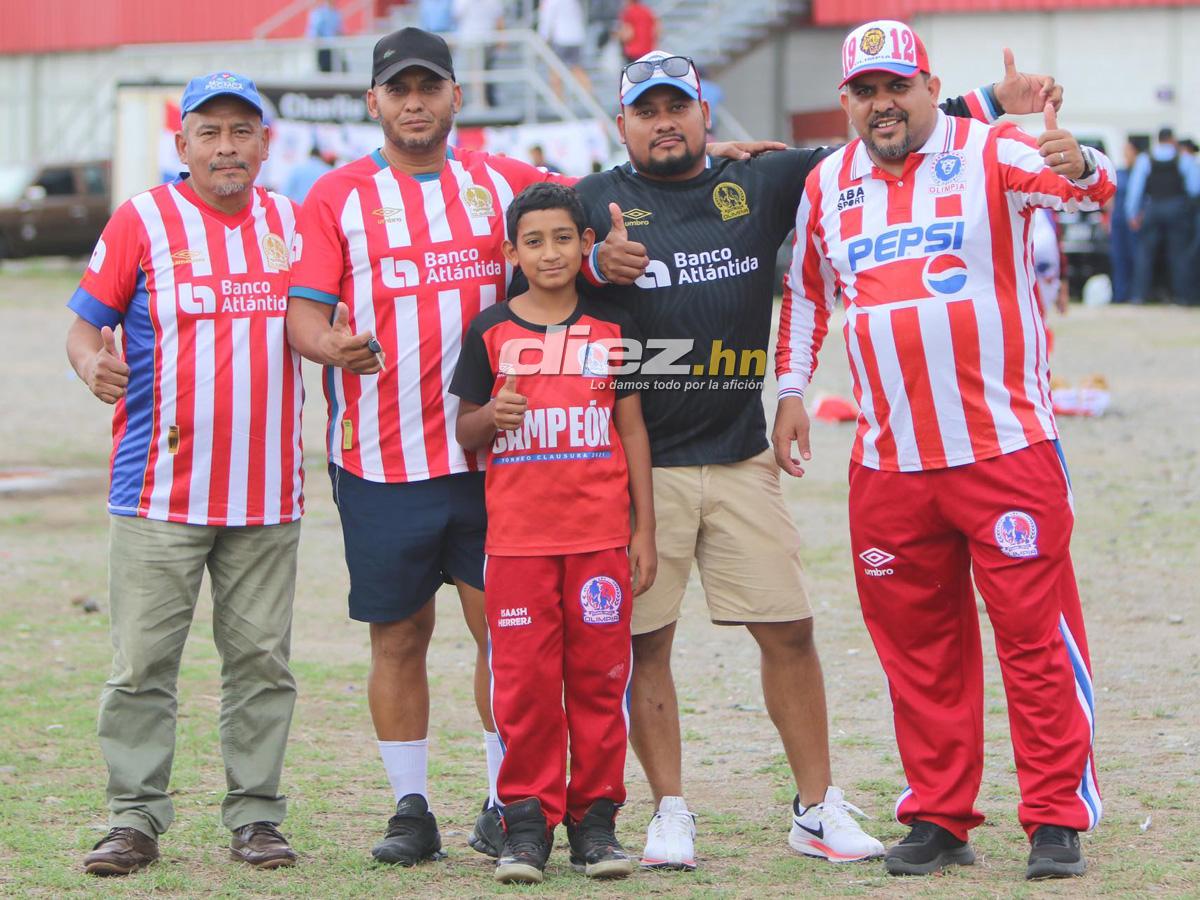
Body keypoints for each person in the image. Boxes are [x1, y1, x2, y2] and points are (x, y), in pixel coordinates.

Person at [571, 47, 1064, 870]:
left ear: (703, 114)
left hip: (741, 455)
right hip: (640, 466)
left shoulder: (764, 179)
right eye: (646, 111)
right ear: (620, 123)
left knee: (791, 631)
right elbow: (526, 253)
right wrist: (593, 262)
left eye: (677, 107)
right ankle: (670, 810)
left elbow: (884, 131)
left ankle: (815, 808)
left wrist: (991, 99)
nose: (664, 123)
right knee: (644, 644)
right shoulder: (593, 199)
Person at [283, 27, 652, 867]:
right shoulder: (336, 196)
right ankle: (410, 807)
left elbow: (592, 211)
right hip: (381, 461)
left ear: (456, 96)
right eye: (398, 90)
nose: (415, 103)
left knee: (509, 644)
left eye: (429, 87)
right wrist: (329, 345)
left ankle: (503, 804)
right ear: (373, 102)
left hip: (499, 464)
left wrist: (691, 176)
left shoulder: (500, 180)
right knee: (398, 637)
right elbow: (302, 314)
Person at [773, 19, 1115, 881]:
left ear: (930, 86)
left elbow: (1083, 191)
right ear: (847, 101)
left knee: (1035, 642)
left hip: (1005, 450)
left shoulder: (989, 149)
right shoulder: (827, 184)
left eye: (897, 86)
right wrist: (789, 393)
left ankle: (1055, 816)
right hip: (889, 465)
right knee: (919, 652)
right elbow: (807, 297)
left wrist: (1081, 162)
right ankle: (939, 814)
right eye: (865, 91)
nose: (882, 104)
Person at [66, 72, 304, 876]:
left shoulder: (293, 224)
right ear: (184, 145)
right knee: (141, 667)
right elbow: (84, 328)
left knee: (262, 665)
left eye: (242, 132)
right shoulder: (142, 219)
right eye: (210, 132)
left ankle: (257, 816)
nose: (226, 148)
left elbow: (324, 320)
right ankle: (133, 819)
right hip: (156, 492)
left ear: (264, 143)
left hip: (267, 494)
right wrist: (90, 368)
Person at [451, 182, 656, 884]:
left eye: (563, 238)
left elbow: (632, 429)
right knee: (526, 688)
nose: (549, 253)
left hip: (598, 540)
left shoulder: (614, 328)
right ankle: (526, 825)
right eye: (533, 242)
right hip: (518, 546)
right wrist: (491, 418)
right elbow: (465, 429)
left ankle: (595, 824)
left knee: (600, 680)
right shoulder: (489, 331)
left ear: (585, 244)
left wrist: (643, 531)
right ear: (511, 252)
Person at [1125, 126, 1200, 304]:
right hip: (1176, 208)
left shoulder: (1146, 158)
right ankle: (1182, 296)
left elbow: (1135, 190)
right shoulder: (1184, 158)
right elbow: (1194, 188)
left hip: (1153, 207)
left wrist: (1132, 214)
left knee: (1145, 253)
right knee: (1179, 253)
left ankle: (1140, 295)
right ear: (1172, 140)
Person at [453, 0, 505, 109]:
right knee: (477, 74)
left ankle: (480, 102)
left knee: (477, 74)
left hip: (476, 40)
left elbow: (456, 15)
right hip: (481, 40)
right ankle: (480, 102)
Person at [538, 0, 592, 99]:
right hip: (576, 37)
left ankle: (558, 101)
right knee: (576, 69)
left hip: (561, 38)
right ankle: (591, 98)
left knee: (555, 71)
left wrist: (542, 40)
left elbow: (546, 20)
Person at [1108, 139, 1140, 304]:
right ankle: (1119, 294)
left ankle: (1135, 293)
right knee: (1118, 257)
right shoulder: (1119, 172)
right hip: (1118, 220)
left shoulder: (1139, 173)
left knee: (1134, 256)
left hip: (1133, 221)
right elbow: (1110, 197)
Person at [307, 0, 344, 73]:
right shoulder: (319, 13)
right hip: (324, 47)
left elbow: (339, 31)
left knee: (338, 69)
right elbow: (315, 32)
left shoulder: (336, 14)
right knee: (325, 70)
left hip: (334, 47)